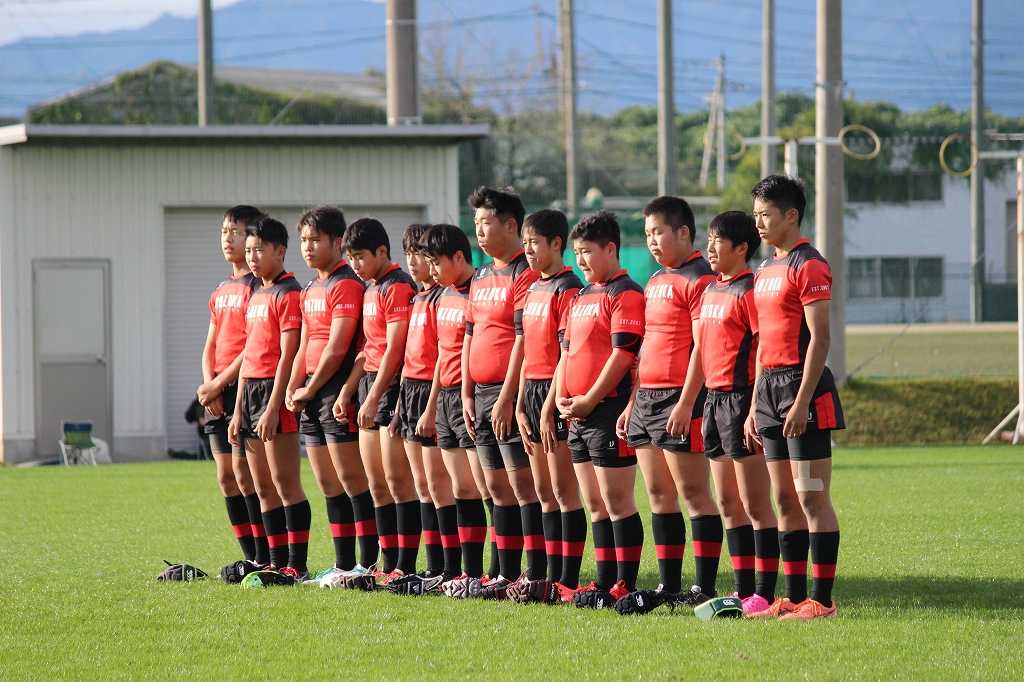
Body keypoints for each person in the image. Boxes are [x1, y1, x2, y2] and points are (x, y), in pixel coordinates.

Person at [748, 175, 844, 621]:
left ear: (791, 215)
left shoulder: (809, 265)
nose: (758, 223)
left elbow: (820, 339)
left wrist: (802, 401)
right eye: (755, 215)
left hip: (801, 390)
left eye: (766, 215)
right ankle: (792, 597)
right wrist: (755, 404)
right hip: (768, 392)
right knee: (784, 500)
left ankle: (822, 602)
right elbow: (762, 344)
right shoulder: (765, 268)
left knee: (812, 498)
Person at [618, 195, 723, 604]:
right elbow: (646, 346)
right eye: (647, 234)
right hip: (646, 398)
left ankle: (704, 587)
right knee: (659, 495)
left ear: (682, 232)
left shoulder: (701, 278)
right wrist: (632, 402)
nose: (651, 241)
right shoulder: (656, 280)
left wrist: (686, 402)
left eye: (657, 232)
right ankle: (669, 585)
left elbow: (703, 347)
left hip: (681, 398)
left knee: (693, 493)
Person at [513, 209, 609, 602]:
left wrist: (548, 406)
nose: (528, 250)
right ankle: (548, 577)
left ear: (556, 244)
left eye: (535, 242)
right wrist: (520, 405)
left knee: (564, 490)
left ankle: (566, 578)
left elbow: (565, 354)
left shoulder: (568, 288)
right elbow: (528, 353)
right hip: (532, 392)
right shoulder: (533, 287)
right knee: (543, 490)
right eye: (525, 243)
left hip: (556, 394)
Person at [556, 210, 646, 608]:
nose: (581, 260)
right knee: (595, 503)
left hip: (607, 410)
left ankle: (625, 581)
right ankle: (605, 580)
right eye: (576, 253)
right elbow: (567, 352)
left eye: (587, 252)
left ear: (610, 249)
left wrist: (590, 398)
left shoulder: (625, 293)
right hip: (577, 414)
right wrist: (561, 398)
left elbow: (623, 355)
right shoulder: (579, 296)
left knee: (617, 501)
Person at [284, 205, 377, 587]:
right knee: (327, 483)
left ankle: (367, 565)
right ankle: (342, 564)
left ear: (337, 242)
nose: (307, 247)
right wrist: (293, 386)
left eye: (315, 240)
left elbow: (338, 347)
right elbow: (305, 345)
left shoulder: (346, 284)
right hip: (310, 393)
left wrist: (309, 388)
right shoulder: (310, 289)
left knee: (353, 480)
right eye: (303, 240)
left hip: (336, 391)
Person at [697, 210, 780, 616]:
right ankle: (743, 589)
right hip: (713, 402)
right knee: (728, 503)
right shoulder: (711, 290)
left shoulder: (749, 290)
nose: (710, 247)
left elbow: (763, 350)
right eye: (709, 239)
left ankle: (764, 592)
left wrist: (754, 408)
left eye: (718, 240)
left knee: (754, 504)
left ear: (742, 247)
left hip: (741, 400)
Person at [462, 186, 544, 599]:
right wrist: (466, 392)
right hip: (478, 395)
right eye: (475, 222)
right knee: (495, 489)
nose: (478, 230)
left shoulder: (523, 273)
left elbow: (523, 340)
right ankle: (505, 575)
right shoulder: (480, 276)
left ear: (511, 226)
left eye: (486, 222)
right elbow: (470, 334)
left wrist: (508, 397)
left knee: (523, 488)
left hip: (508, 395)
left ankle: (536, 573)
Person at [228, 216, 309, 581]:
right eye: (249, 251)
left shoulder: (288, 292)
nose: (253, 257)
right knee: (261, 486)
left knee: (284, 483)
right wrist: (238, 410)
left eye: (259, 249)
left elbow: (288, 355)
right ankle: (273, 562)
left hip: (274, 393)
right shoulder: (256, 294)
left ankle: (297, 565)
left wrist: (274, 406)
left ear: (280, 251)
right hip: (250, 394)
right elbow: (249, 355)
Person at [342, 218, 420, 579]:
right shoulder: (370, 288)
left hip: (389, 387)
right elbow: (368, 348)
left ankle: (405, 565)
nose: (355, 264)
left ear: (381, 252)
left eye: (360, 256)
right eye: (351, 258)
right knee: (376, 484)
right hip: (369, 384)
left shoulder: (398, 286)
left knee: (398, 482)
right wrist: (349, 390)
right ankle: (385, 565)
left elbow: (395, 348)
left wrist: (374, 397)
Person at [196, 206, 274, 569]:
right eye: (224, 231)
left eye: (236, 232)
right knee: (226, 478)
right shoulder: (221, 288)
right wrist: (208, 385)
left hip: (243, 389)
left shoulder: (258, 287)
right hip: (217, 391)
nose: (228, 238)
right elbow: (211, 342)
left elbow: (253, 348)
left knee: (248, 477)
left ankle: (265, 556)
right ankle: (249, 558)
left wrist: (219, 383)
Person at [420, 224, 490, 598]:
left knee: (487, 488)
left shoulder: (478, 291)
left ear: (459, 257)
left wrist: (467, 394)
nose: (431, 270)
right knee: (460, 488)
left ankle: (497, 572)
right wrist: (432, 404)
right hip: (446, 398)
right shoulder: (443, 296)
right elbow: (442, 355)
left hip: (473, 396)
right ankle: (464, 571)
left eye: (436, 262)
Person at [387, 223, 457, 594]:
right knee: (422, 486)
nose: (414, 262)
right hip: (410, 393)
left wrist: (430, 408)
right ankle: (433, 566)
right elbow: (408, 360)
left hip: (434, 393)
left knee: (440, 485)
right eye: (410, 254)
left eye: (421, 255)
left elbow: (442, 358)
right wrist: (401, 406)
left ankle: (451, 566)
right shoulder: (417, 298)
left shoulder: (442, 299)